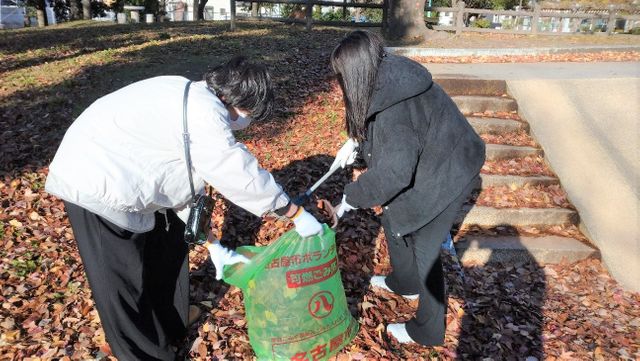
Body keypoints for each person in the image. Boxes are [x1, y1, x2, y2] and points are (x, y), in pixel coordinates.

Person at [44, 56, 323, 360]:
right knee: (120, 279)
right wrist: (294, 213)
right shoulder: (205, 114)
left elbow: (184, 185)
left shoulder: (193, 96)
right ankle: (143, 351)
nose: (248, 123)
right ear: (241, 101)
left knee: (168, 243)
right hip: (93, 177)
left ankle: (168, 322)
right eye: (252, 115)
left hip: (123, 167)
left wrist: (213, 244)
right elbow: (238, 173)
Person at [330, 31, 486, 346]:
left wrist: (351, 197)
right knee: (392, 216)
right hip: (435, 156)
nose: (339, 84)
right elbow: (393, 147)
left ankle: (427, 331)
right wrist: (358, 150)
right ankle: (405, 281)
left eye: (342, 77)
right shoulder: (387, 77)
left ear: (358, 73)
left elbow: (394, 172)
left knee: (427, 247)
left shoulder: (393, 109)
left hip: (452, 169)